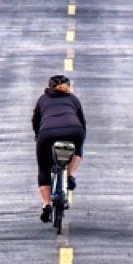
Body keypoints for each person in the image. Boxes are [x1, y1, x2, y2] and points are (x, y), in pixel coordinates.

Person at [32, 73, 85, 223]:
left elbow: (35, 121)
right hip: (74, 130)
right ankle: (71, 176)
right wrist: (80, 141)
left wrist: (39, 137)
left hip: (47, 133)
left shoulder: (43, 99)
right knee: (78, 148)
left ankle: (47, 204)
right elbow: (82, 123)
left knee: (43, 168)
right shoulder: (73, 99)